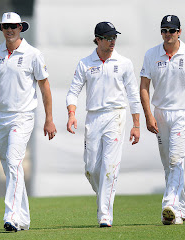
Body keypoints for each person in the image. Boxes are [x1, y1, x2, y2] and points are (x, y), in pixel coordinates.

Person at [0, 12, 57, 232]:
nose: (9, 29)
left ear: (21, 28)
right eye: (5, 26)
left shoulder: (33, 54)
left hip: (23, 116)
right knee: (11, 169)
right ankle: (23, 219)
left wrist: (49, 119)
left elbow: (45, 86)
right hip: (2, 117)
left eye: (13, 26)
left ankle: (11, 216)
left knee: (14, 163)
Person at [66, 22, 141, 227]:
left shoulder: (124, 63)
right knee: (90, 168)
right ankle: (104, 197)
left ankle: (105, 215)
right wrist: (72, 114)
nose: (112, 42)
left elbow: (133, 95)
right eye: (108, 38)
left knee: (110, 166)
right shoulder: (85, 63)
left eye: (114, 38)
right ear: (97, 39)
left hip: (116, 116)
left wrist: (136, 124)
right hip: (93, 117)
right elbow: (73, 91)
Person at [140, 15, 185, 225]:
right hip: (160, 114)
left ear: (179, 32)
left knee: (177, 160)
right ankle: (178, 211)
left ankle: (168, 204)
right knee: (169, 165)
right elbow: (144, 86)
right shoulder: (151, 54)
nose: (168, 34)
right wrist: (148, 115)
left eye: (172, 30)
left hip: (181, 113)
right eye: (165, 30)